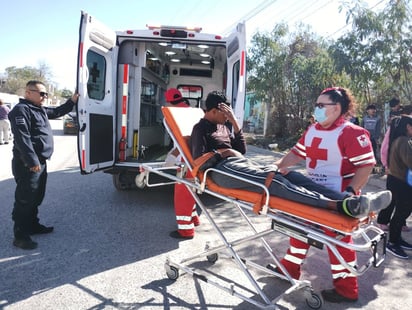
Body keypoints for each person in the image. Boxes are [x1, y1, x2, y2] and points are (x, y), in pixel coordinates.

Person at [190, 91, 390, 219]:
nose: (227, 115)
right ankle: (339, 205)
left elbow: (241, 150)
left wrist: (234, 124)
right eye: (225, 112)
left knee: (289, 175)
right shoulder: (200, 129)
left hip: (238, 164)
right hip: (219, 171)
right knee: (273, 182)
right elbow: (198, 161)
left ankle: (350, 201)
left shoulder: (223, 127)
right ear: (215, 110)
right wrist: (226, 152)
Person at [273, 87, 384, 303]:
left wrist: (350, 193)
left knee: (339, 243)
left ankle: (346, 289)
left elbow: (366, 166)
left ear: (338, 108)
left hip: (340, 195)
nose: (317, 109)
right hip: (310, 192)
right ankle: (289, 269)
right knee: (299, 229)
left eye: (321, 105)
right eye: (317, 105)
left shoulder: (352, 133)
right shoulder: (312, 130)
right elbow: (297, 153)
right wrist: (276, 167)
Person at [8, 80, 79, 250]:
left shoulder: (39, 109)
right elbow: (22, 139)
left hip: (39, 162)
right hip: (27, 164)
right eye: (41, 93)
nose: (45, 96)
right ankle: (20, 235)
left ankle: (32, 225)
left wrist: (72, 101)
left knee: (37, 196)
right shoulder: (21, 110)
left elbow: (58, 111)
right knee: (25, 199)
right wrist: (32, 162)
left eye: (46, 94)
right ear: (28, 93)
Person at [164, 88, 200, 239]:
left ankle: (186, 231)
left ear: (169, 101)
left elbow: (182, 142)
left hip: (186, 160)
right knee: (190, 191)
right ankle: (194, 219)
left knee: (182, 195)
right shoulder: (192, 112)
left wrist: (172, 156)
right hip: (196, 158)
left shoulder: (172, 115)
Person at [377, 105, 412, 232]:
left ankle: (400, 223)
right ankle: (385, 222)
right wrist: (386, 165)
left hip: (401, 172)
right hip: (395, 171)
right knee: (394, 199)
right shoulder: (398, 131)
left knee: (402, 201)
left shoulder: (404, 135)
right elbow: (385, 148)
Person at [384, 115, 412, 259]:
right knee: (402, 212)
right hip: (401, 182)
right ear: (408, 127)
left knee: (402, 211)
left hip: (396, 180)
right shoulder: (404, 141)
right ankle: (393, 243)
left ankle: (397, 239)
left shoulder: (399, 140)